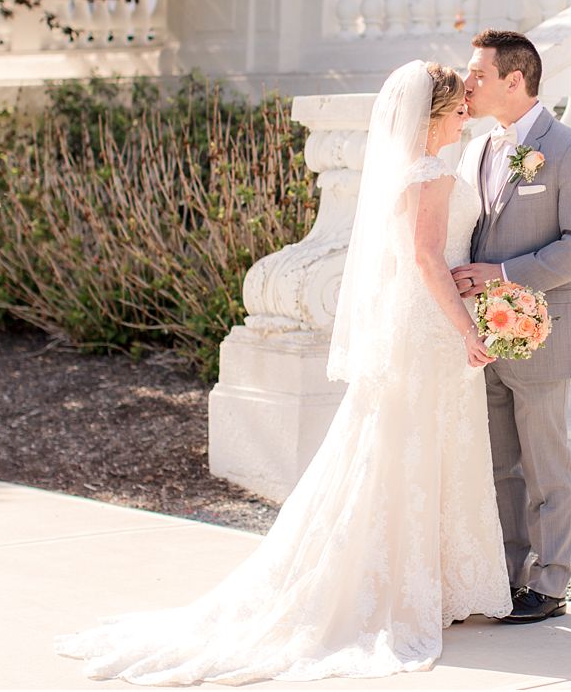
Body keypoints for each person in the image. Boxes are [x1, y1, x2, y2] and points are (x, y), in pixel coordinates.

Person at [55, 61, 512, 685]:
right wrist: (466, 327)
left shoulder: (417, 171)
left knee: (409, 445)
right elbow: (428, 259)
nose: (467, 114)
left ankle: (429, 582)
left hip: (418, 322)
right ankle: (407, 587)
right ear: (432, 116)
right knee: (414, 444)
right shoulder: (431, 173)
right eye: (458, 108)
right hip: (432, 326)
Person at [451, 29, 571, 625]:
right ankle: (507, 576)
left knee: (546, 464)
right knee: (499, 465)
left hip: (542, 330)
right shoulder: (477, 149)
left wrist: (505, 273)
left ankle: (549, 583)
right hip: (484, 337)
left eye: (479, 74)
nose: (469, 83)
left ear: (514, 81)